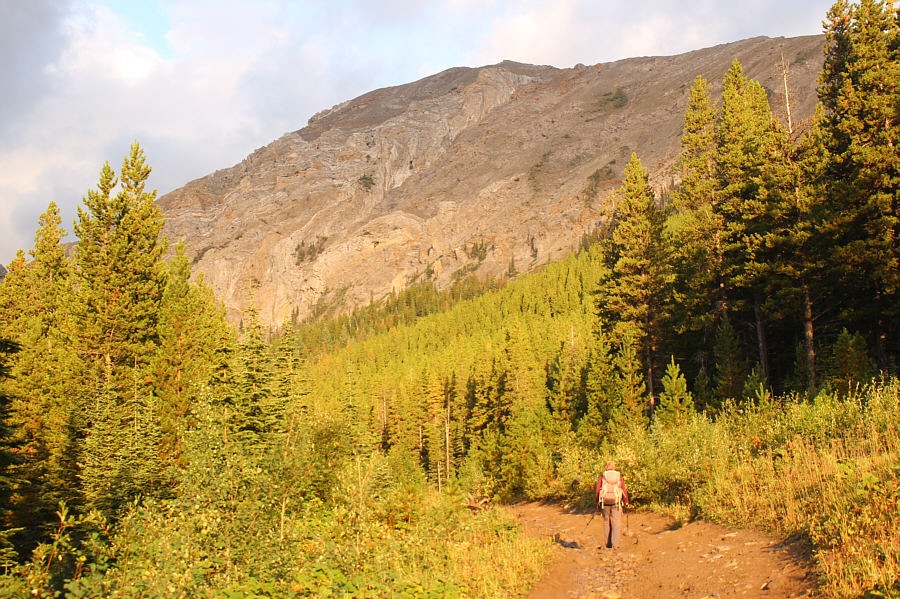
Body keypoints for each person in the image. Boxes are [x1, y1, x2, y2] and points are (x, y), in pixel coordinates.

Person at [595, 460, 629, 549]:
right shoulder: (618, 475)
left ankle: (608, 544)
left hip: (605, 502)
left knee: (606, 521)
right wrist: (626, 502)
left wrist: (597, 502)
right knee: (616, 522)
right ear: (614, 467)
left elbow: (598, 489)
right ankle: (616, 544)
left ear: (606, 467)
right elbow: (623, 489)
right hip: (616, 501)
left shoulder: (603, 475)